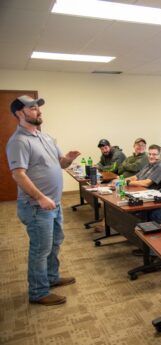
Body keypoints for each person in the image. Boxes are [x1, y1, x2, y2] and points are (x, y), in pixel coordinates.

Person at [7, 95, 81, 306]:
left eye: (38, 108)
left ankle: (51, 277)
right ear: (19, 114)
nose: (38, 111)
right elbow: (18, 174)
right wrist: (40, 197)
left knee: (55, 242)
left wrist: (69, 158)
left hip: (54, 204)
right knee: (40, 249)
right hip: (36, 206)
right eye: (32, 108)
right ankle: (38, 292)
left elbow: (61, 164)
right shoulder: (18, 141)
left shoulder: (46, 137)